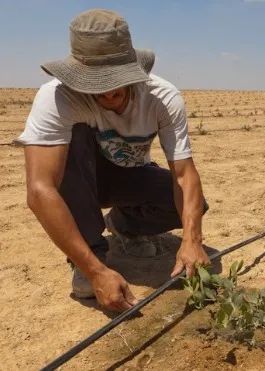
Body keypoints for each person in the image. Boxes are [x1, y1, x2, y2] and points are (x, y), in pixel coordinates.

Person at [15, 8, 210, 312]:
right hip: (77, 179)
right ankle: (89, 255)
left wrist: (193, 239)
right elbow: (41, 190)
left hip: (127, 174)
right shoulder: (57, 98)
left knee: (189, 206)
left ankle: (124, 226)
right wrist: (95, 271)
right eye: (96, 83)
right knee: (74, 139)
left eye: (117, 80)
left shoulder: (162, 97)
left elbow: (184, 175)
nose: (109, 92)